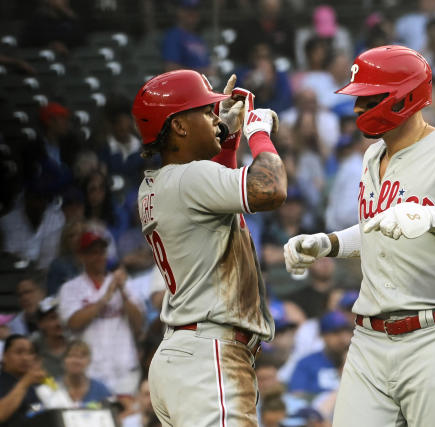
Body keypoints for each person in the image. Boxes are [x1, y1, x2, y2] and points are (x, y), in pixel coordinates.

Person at [284, 45, 435, 427]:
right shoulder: (370, 156)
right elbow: (379, 230)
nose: (358, 108)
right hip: (369, 341)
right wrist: (328, 244)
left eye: (369, 98)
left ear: (405, 97)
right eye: (357, 98)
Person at [131, 69, 286, 426]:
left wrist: (227, 140)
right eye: (204, 112)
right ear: (180, 128)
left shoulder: (159, 183)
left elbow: (217, 201)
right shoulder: (189, 178)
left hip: (182, 356)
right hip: (209, 355)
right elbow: (270, 188)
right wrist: (257, 133)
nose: (215, 118)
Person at [58, 228, 145, 396]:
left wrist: (122, 292)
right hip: (90, 371)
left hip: (124, 366)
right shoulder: (70, 288)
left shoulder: (124, 284)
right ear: (81, 256)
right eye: (93, 252)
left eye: (102, 251)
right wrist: (105, 298)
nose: (99, 257)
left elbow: (139, 323)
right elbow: (73, 323)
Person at [288, 311, 353, 395]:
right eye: (336, 333)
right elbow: (297, 397)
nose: (344, 339)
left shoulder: (360, 362)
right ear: (322, 335)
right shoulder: (307, 363)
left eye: (348, 332)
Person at [0, 335, 45, 427]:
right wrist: (24, 383)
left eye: (30, 353)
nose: (25, 358)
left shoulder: (35, 385)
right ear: (4, 356)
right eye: (19, 352)